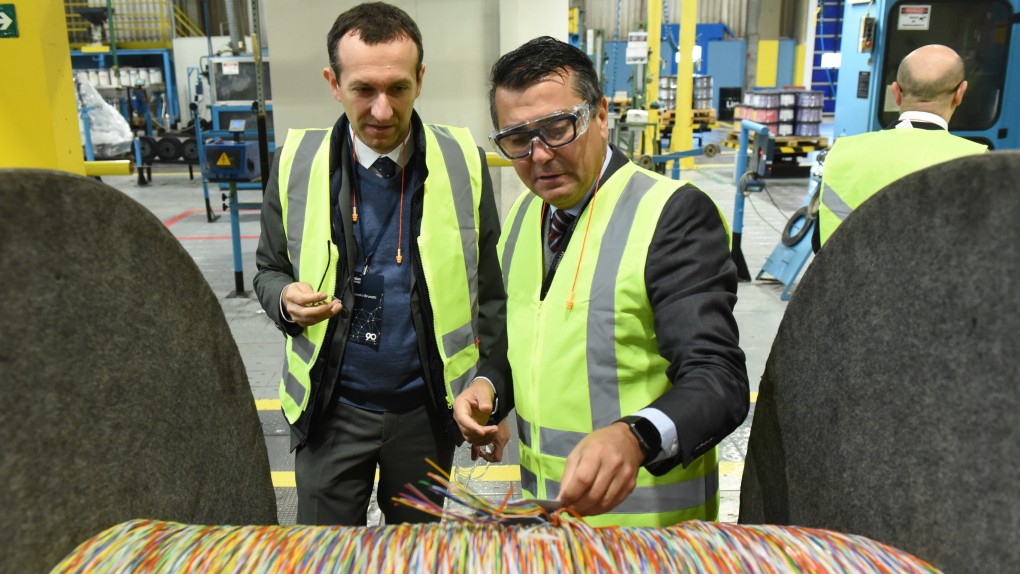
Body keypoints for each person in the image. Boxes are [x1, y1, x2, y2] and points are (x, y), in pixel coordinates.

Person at [453, 37, 749, 528]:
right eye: (518, 139)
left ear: (601, 115)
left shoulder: (669, 215)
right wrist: (489, 388)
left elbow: (718, 379)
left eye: (557, 129)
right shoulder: (525, 215)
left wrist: (637, 437)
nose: (539, 155)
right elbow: (528, 345)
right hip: (550, 523)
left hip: (648, 537)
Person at [254, 2, 510, 526]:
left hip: (426, 414)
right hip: (330, 414)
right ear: (333, 83)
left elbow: (491, 294)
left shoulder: (462, 161)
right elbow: (268, 269)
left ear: (421, 79)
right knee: (325, 560)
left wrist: (492, 386)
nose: (383, 110)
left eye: (398, 88)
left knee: (413, 562)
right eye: (363, 90)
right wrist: (284, 299)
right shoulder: (296, 163)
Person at [818, 44, 988, 246]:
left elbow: (820, 241)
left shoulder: (842, 153)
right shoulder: (976, 160)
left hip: (844, 266)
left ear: (896, 92)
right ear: (960, 93)